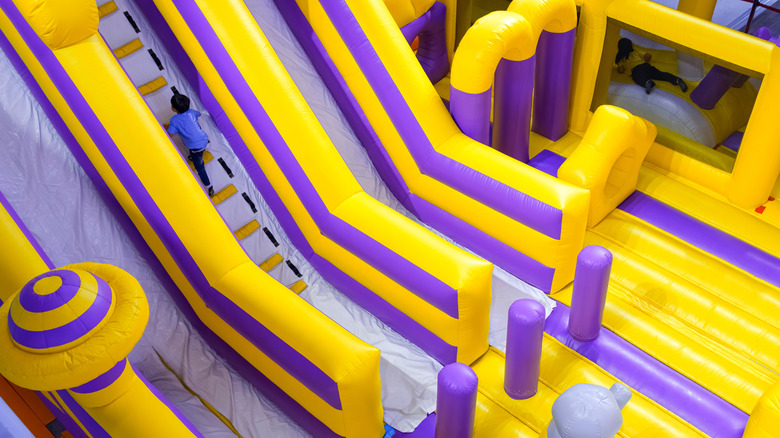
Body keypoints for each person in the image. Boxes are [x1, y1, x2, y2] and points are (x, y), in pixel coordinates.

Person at [167, 93, 215, 197]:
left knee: (200, 167)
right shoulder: (191, 112)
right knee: (194, 138)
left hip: (195, 147)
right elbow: (199, 114)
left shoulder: (174, 120)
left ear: (174, 109)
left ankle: (209, 185)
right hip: (204, 139)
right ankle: (196, 153)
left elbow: (169, 134)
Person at [615, 37, 688, 95]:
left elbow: (621, 71)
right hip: (646, 66)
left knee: (637, 78)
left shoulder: (621, 58)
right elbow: (648, 56)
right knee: (661, 74)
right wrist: (645, 61)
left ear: (619, 48)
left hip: (636, 69)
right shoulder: (635, 52)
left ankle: (647, 82)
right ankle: (677, 80)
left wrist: (619, 66)